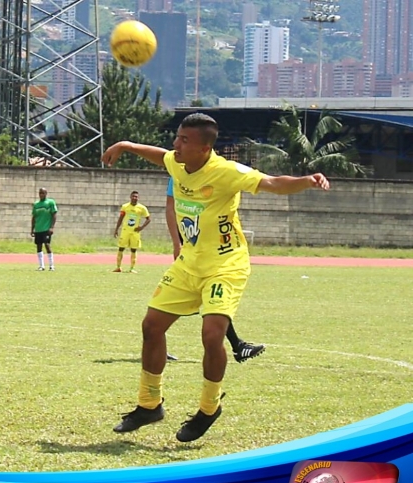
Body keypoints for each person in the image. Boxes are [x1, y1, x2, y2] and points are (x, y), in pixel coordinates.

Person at [101, 113, 329, 442]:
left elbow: (271, 183)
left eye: (184, 140)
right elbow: (157, 154)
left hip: (226, 264)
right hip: (190, 262)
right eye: (177, 137)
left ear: (206, 148)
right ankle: (149, 404)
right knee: (151, 326)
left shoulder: (225, 171)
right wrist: (125, 145)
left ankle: (209, 408)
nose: (176, 145)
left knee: (211, 335)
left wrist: (307, 180)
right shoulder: (177, 162)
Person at [164, 177, 265, 364]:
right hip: (193, 247)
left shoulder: (216, 171)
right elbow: (170, 208)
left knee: (212, 301)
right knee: (179, 302)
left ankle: (238, 346)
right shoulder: (178, 171)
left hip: (211, 249)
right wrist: (176, 243)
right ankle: (238, 346)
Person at [113, 190, 151, 273]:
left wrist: (141, 228)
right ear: (130, 197)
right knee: (121, 248)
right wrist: (116, 229)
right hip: (125, 231)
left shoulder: (142, 208)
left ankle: (132, 268)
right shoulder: (125, 206)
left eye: (136, 197)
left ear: (138, 198)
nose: (134, 198)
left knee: (133, 250)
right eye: (133, 196)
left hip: (135, 232)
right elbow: (121, 218)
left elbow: (148, 219)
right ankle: (118, 267)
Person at [31, 187, 58, 271]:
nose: (41, 195)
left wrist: (52, 227)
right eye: (40, 193)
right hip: (38, 229)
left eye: (43, 193)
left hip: (46, 229)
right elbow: (34, 217)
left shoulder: (50, 202)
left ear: (46, 193)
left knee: (47, 245)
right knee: (39, 246)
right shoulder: (36, 204)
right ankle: (41, 266)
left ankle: (51, 265)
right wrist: (32, 229)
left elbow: (54, 215)